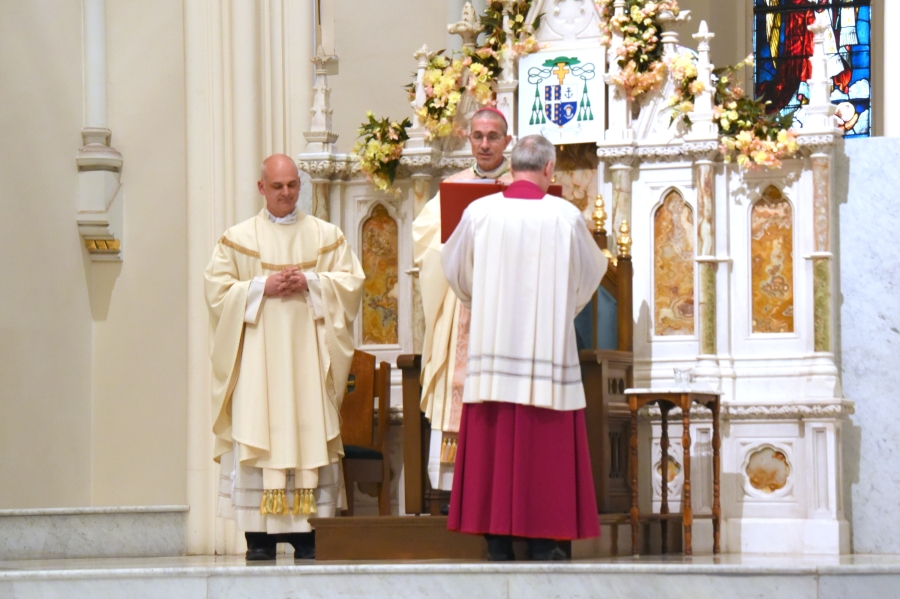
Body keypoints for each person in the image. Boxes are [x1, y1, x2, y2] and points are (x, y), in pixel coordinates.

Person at [441, 134, 607, 561]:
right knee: (543, 446)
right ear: (549, 169)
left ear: (511, 166)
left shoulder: (479, 213)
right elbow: (591, 273)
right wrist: (558, 312)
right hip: (546, 351)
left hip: (492, 345)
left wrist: (483, 303)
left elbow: (454, 269)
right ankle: (542, 539)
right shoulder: (565, 216)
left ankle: (496, 539)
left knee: (496, 439)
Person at [205, 154, 364, 560]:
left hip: (307, 363)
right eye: (277, 186)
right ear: (262, 188)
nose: (286, 193)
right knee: (261, 432)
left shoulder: (325, 236)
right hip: (258, 365)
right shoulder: (238, 238)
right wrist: (261, 287)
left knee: (307, 428)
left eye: (293, 185)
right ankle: (258, 537)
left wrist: (311, 281)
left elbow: (349, 285)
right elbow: (218, 293)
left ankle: (307, 532)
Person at [412, 107, 513, 500]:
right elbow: (426, 242)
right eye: (478, 136)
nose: (484, 144)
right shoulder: (452, 186)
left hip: (506, 307)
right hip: (461, 307)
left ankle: (502, 481)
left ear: (507, 140)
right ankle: (458, 495)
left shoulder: (519, 186)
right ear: (468, 139)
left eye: (493, 136)